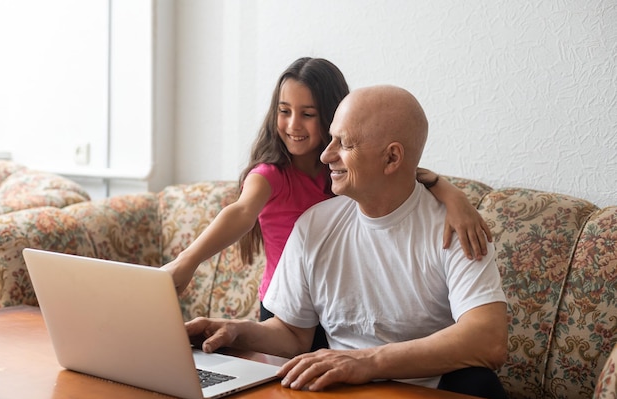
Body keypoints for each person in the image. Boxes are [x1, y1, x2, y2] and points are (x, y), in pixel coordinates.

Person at [185, 85, 509, 399]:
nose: (326, 155)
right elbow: (293, 335)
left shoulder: (456, 228)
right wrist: (235, 331)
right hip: (342, 396)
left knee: (479, 384)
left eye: (344, 144)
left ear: (392, 158)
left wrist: (366, 362)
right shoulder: (315, 224)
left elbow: (488, 340)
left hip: (428, 397)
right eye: (331, 140)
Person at [163, 57, 491, 348]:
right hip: (286, 304)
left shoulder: (340, 174)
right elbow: (241, 212)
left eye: (307, 114)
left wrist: (454, 197)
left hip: (330, 307)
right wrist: (187, 261)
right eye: (284, 111)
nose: (293, 125)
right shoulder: (273, 175)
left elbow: (403, 173)